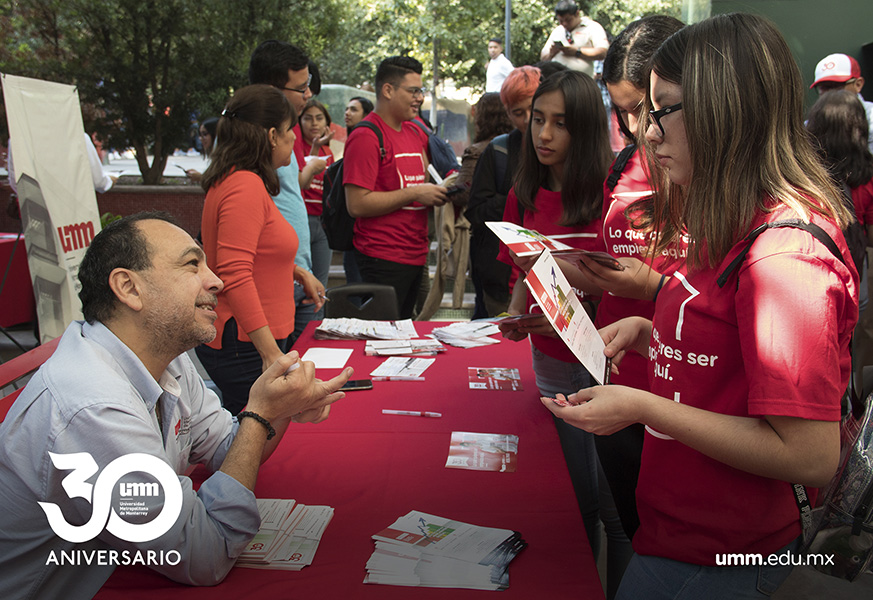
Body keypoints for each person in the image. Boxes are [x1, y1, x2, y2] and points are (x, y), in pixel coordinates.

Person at [544, 14, 859, 599]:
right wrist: (651, 330)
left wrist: (643, 406)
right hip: (684, 539)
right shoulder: (726, 220)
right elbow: (716, 327)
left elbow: (810, 454)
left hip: (724, 560)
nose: (648, 133)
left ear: (724, 112)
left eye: (663, 110)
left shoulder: (783, 258)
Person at [0, 211, 352, 599]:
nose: (216, 280)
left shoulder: (166, 358)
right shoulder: (93, 408)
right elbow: (206, 554)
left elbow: (226, 449)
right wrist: (260, 414)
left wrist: (279, 408)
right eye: (191, 264)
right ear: (129, 288)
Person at [495, 70, 615, 580]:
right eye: (537, 120)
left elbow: (632, 289)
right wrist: (516, 314)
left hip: (612, 363)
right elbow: (520, 274)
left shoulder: (614, 196)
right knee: (576, 497)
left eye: (559, 124)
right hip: (551, 363)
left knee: (615, 505)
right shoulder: (524, 193)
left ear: (585, 129)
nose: (543, 134)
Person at [577, 15, 686, 546]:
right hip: (615, 370)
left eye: (647, 109)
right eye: (623, 112)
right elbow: (616, 260)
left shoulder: (707, 176)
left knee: (669, 540)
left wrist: (652, 287)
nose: (640, 127)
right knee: (626, 525)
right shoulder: (623, 165)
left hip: (683, 395)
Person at [195, 85, 324, 415]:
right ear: (270, 135)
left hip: (249, 340)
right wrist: (269, 353)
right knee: (254, 440)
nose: (295, 139)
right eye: (289, 131)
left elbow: (251, 252)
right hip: (247, 344)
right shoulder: (245, 185)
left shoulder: (238, 179)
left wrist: (296, 271)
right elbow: (233, 272)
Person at [343, 56, 448, 318]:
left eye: (421, 91)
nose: (419, 98)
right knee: (382, 338)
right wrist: (415, 193)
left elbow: (429, 175)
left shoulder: (415, 131)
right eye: (413, 91)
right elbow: (356, 204)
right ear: (388, 90)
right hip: (382, 257)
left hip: (416, 254)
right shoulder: (366, 136)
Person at [248, 40, 320, 340]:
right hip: (273, 283)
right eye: (301, 88)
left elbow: (288, 194)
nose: (308, 94)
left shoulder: (283, 135)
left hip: (297, 273)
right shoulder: (250, 145)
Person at [465, 66, 541, 319]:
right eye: (519, 113)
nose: (528, 120)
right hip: (500, 278)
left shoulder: (567, 151)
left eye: (535, 111)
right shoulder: (499, 151)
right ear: (507, 113)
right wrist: (515, 197)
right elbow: (476, 211)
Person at [294, 99, 335, 291]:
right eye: (308, 118)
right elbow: (304, 180)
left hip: (322, 223)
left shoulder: (328, 151)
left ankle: (317, 319)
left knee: (320, 284)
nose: (314, 123)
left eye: (319, 118)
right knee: (298, 284)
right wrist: (315, 149)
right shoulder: (294, 145)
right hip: (301, 220)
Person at [811, 53, 873, 154]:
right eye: (824, 87)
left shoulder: (871, 116)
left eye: (837, 86)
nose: (831, 93)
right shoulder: (810, 126)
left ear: (858, 84)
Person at [342, 96, 375, 284]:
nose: (347, 113)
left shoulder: (366, 138)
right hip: (350, 228)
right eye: (347, 109)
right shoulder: (352, 140)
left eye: (354, 109)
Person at [540, 0, 608, 78]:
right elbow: (543, 58)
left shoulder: (592, 27)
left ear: (577, 14)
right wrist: (552, 53)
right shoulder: (558, 30)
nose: (564, 24)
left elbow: (603, 52)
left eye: (568, 20)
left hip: (581, 82)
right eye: (561, 21)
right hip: (557, 82)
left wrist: (577, 52)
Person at [184, 117, 218, 182]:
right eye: (200, 135)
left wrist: (201, 177)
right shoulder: (215, 157)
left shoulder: (225, 158)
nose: (201, 138)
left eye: (205, 134)